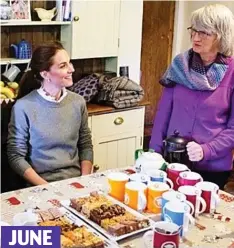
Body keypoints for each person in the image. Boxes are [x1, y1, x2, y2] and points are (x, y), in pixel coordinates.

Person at [150, 4, 234, 189]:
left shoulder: (232, 72)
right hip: (173, 160)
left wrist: (206, 150)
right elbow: (163, 112)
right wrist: (154, 153)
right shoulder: (180, 65)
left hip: (213, 167)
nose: (196, 37)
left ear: (222, 35)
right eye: (194, 30)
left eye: (204, 33)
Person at [7, 42, 93, 186]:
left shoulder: (78, 102)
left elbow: (85, 145)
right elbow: (15, 156)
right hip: (40, 186)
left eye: (69, 63)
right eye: (63, 66)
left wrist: (84, 181)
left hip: (76, 181)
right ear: (45, 74)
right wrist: (46, 187)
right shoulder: (23, 107)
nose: (71, 69)